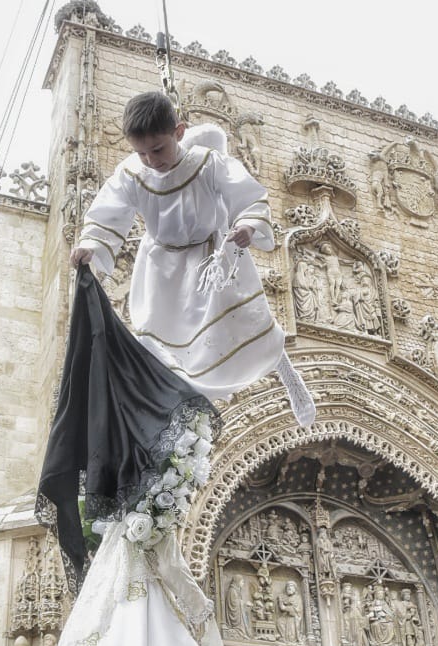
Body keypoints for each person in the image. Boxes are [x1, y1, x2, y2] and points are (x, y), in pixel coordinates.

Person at [70, 90, 315, 426]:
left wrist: (245, 225)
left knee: (246, 319)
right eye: (141, 153)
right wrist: (91, 244)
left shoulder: (206, 162)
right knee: (156, 339)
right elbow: (107, 213)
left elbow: (246, 194)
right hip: (161, 266)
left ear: (179, 132)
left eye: (158, 149)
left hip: (211, 255)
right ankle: (173, 413)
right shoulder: (131, 174)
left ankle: (288, 375)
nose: (152, 160)